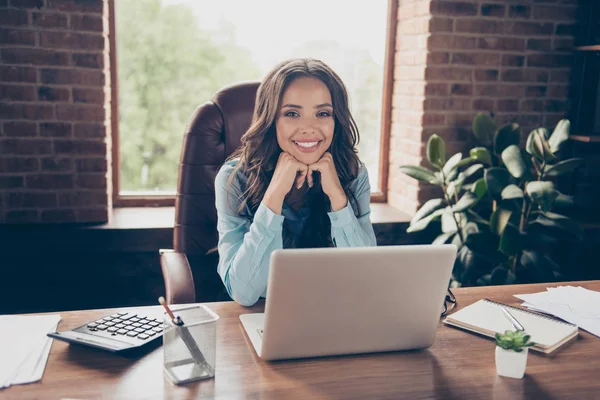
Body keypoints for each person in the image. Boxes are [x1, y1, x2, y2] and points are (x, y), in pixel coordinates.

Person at [215, 58, 377, 306]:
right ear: (271, 119)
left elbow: (367, 279)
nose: (308, 128)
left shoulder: (353, 174)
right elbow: (243, 292)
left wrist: (337, 198)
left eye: (322, 113)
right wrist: (274, 196)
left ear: (337, 120)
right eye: (292, 113)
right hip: (263, 316)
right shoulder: (234, 178)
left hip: (335, 312)